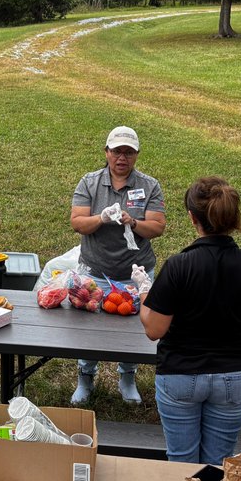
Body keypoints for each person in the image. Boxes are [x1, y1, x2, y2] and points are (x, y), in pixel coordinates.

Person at [137, 176, 241, 466]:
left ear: (193, 218)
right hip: (234, 377)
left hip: (180, 375)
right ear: (233, 218)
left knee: (181, 464)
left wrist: (144, 292)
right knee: (218, 466)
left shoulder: (179, 266)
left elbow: (154, 330)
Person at [68, 125, 166, 405]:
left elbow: (157, 227)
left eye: (128, 153)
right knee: (88, 328)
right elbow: (77, 223)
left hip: (136, 275)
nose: (122, 158)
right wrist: (102, 218)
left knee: (132, 329)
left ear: (136, 156)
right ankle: (85, 376)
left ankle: (127, 376)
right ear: (106, 152)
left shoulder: (149, 186)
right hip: (94, 271)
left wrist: (133, 222)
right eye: (116, 151)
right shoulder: (89, 182)